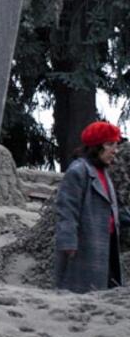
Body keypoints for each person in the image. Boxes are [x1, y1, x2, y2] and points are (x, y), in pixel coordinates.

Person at [55, 121, 130, 293]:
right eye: (110, 144)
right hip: (83, 246)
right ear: (96, 146)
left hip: (105, 243)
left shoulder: (102, 172)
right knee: (79, 292)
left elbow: (112, 209)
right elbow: (67, 210)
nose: (115, 150)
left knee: (105, 290)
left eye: (116, 145)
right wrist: (68, 243)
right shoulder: (78, 171)